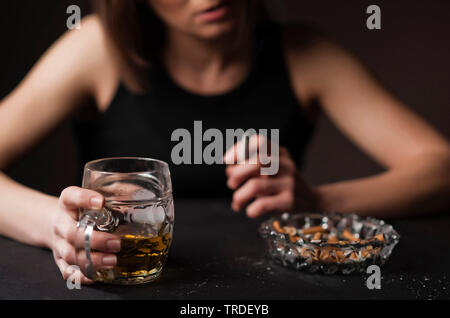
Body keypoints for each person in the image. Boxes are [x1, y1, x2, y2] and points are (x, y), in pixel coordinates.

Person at [0, 0, 449, 284]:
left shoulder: (306, 53)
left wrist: (316, 201)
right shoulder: (95, 49)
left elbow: (441, 168)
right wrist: (53, 225)